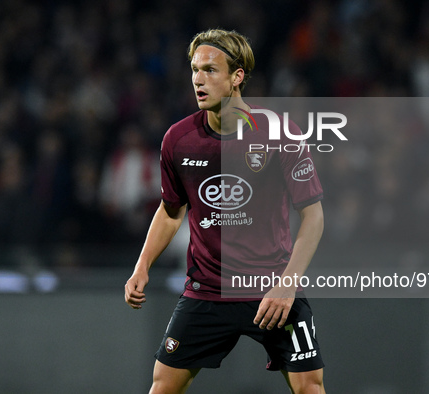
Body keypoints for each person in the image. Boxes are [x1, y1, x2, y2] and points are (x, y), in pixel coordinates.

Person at [125, 29, 326, 393]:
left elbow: (313, 217)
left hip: (271, 292)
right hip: (207, 290)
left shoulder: (281, 133)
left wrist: (287, 285)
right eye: (194, 69)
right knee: (161, 385)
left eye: (210, 70)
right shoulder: (178, 139)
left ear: (237, 77)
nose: (198, 80)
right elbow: (171, 212)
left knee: (310, 386)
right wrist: (142, 267)